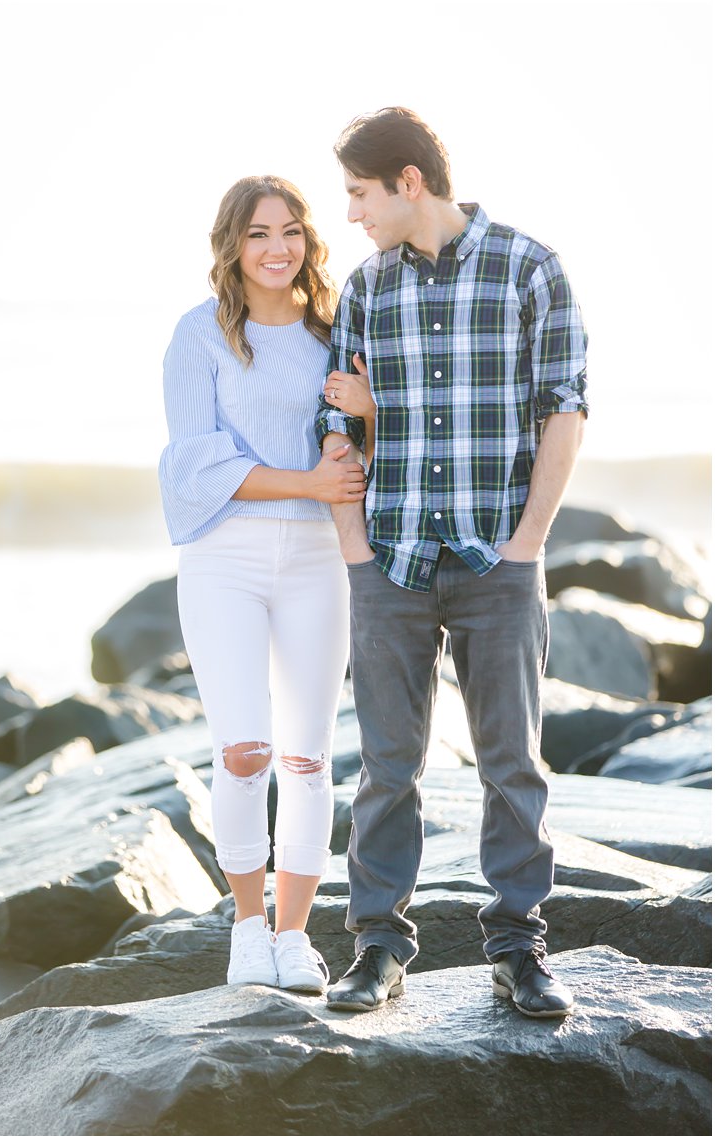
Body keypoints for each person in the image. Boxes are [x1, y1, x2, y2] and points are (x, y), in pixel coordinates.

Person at [317, 108, 587, 1019]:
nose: (351, 214)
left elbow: (565, 407)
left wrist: (528, 545)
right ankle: (377, 950)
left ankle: (519, 947)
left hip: (497, 562)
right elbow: (339, 431)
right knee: (387, 766)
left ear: (408, 181)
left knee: (512, 762)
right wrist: (357, 554)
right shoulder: (363, 290)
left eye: (359, 194)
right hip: (390, 559)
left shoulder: (529, 268)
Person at [159, 175, 367, 994]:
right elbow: (195, 466)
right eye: (257, 234)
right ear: (232, 246)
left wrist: (371, 409)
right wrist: (306, 483)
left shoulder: (333, 331)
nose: (277, 248)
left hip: (319, 562)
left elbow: (360, 451)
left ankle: (293, 937)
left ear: (308, 241)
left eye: (289, 231)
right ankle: (247, 930)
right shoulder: (200, 333)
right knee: (244, 750)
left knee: (309, 757)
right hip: (225, 559)